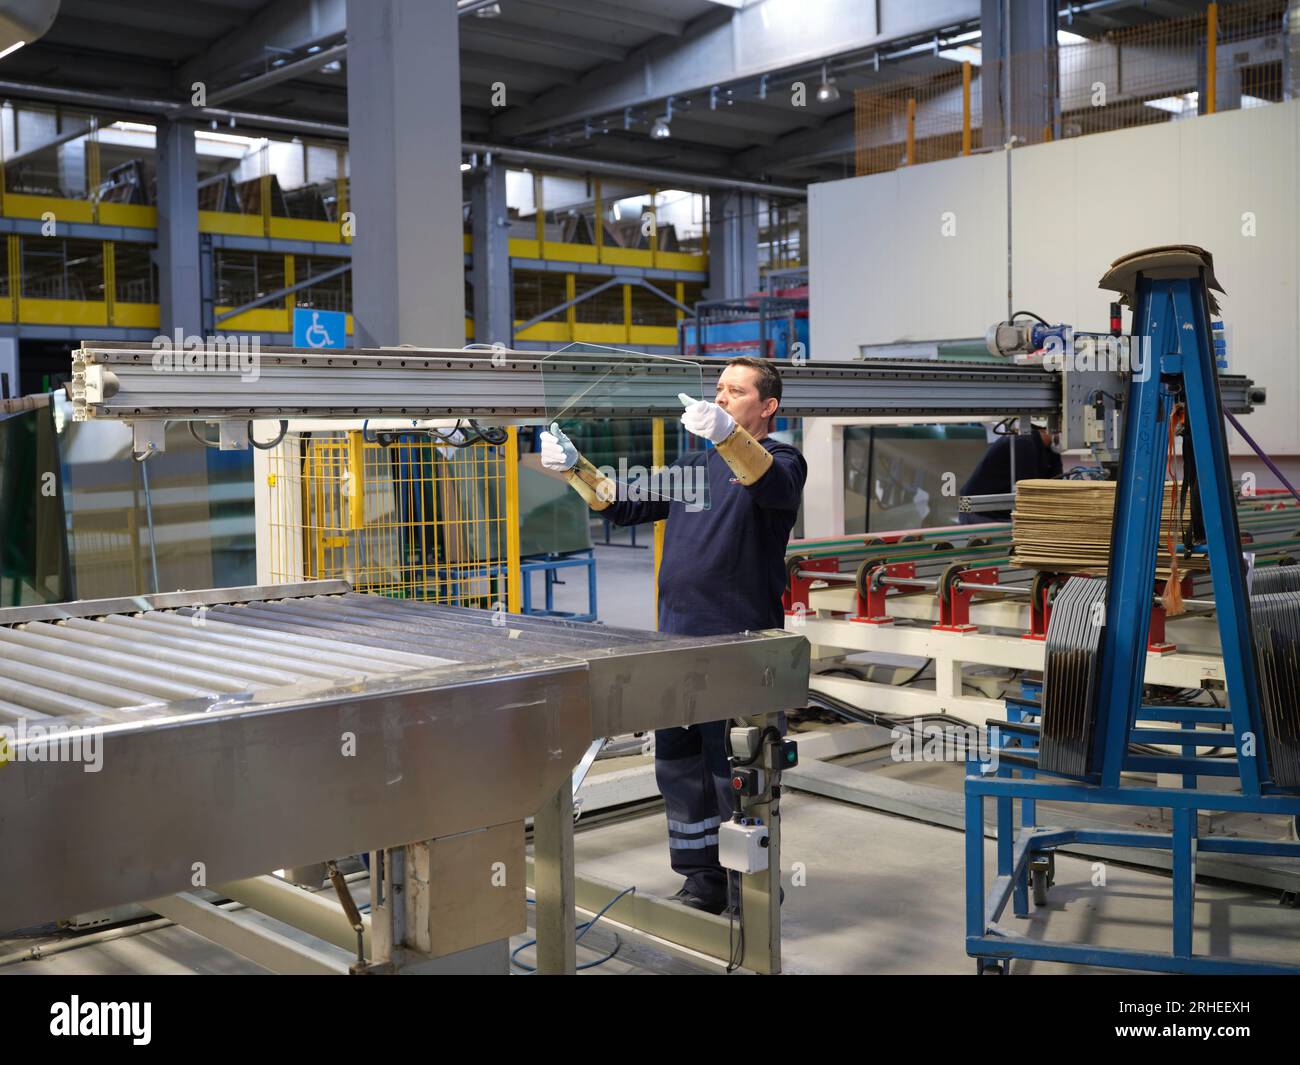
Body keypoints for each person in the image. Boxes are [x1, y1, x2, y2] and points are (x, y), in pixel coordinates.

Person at [540, 356, 807, 914]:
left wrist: (729, 435)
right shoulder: (693, 465)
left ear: (768, 407)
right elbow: (623, 504)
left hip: (739, 646)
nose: (721, 398)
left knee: (736, 770)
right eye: (719, 390)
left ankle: (750, 886)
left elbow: (767, 482)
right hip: (676, 643)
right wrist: (574, 469)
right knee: (680, 766)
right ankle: (701, 879)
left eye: (735, 392)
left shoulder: (782, 461)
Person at [957, 421, 1062, 524]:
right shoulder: (1022, 441)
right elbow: (1029, 493)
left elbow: (1057, 488)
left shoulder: (1051, 449)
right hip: (973, 509)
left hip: (998, 511)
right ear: (1053, 427)